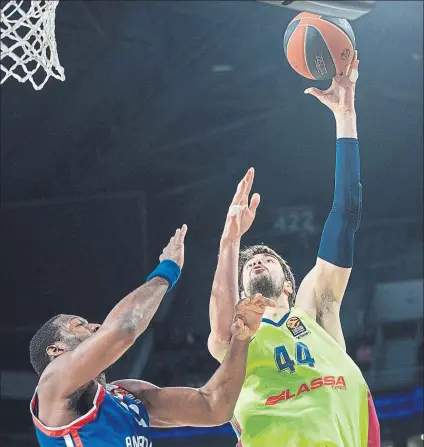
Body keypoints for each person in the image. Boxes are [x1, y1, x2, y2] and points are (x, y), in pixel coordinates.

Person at [208, 52, 381, 447]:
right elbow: (220, 329)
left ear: (288, 284)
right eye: (249, 262)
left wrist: (345, 116)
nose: (257, 260)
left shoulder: (314, 307)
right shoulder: (236, 339)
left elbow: (345, 214)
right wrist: (230, 240)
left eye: (266, 258)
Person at [29, 224, 275, 447]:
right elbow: (123, 328)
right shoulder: (53, 384)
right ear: (56, 350)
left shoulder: (127, 395)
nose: (95, 327)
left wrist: (241, 337)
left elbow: (213, 407)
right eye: (79, 325)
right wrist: (167, 271)